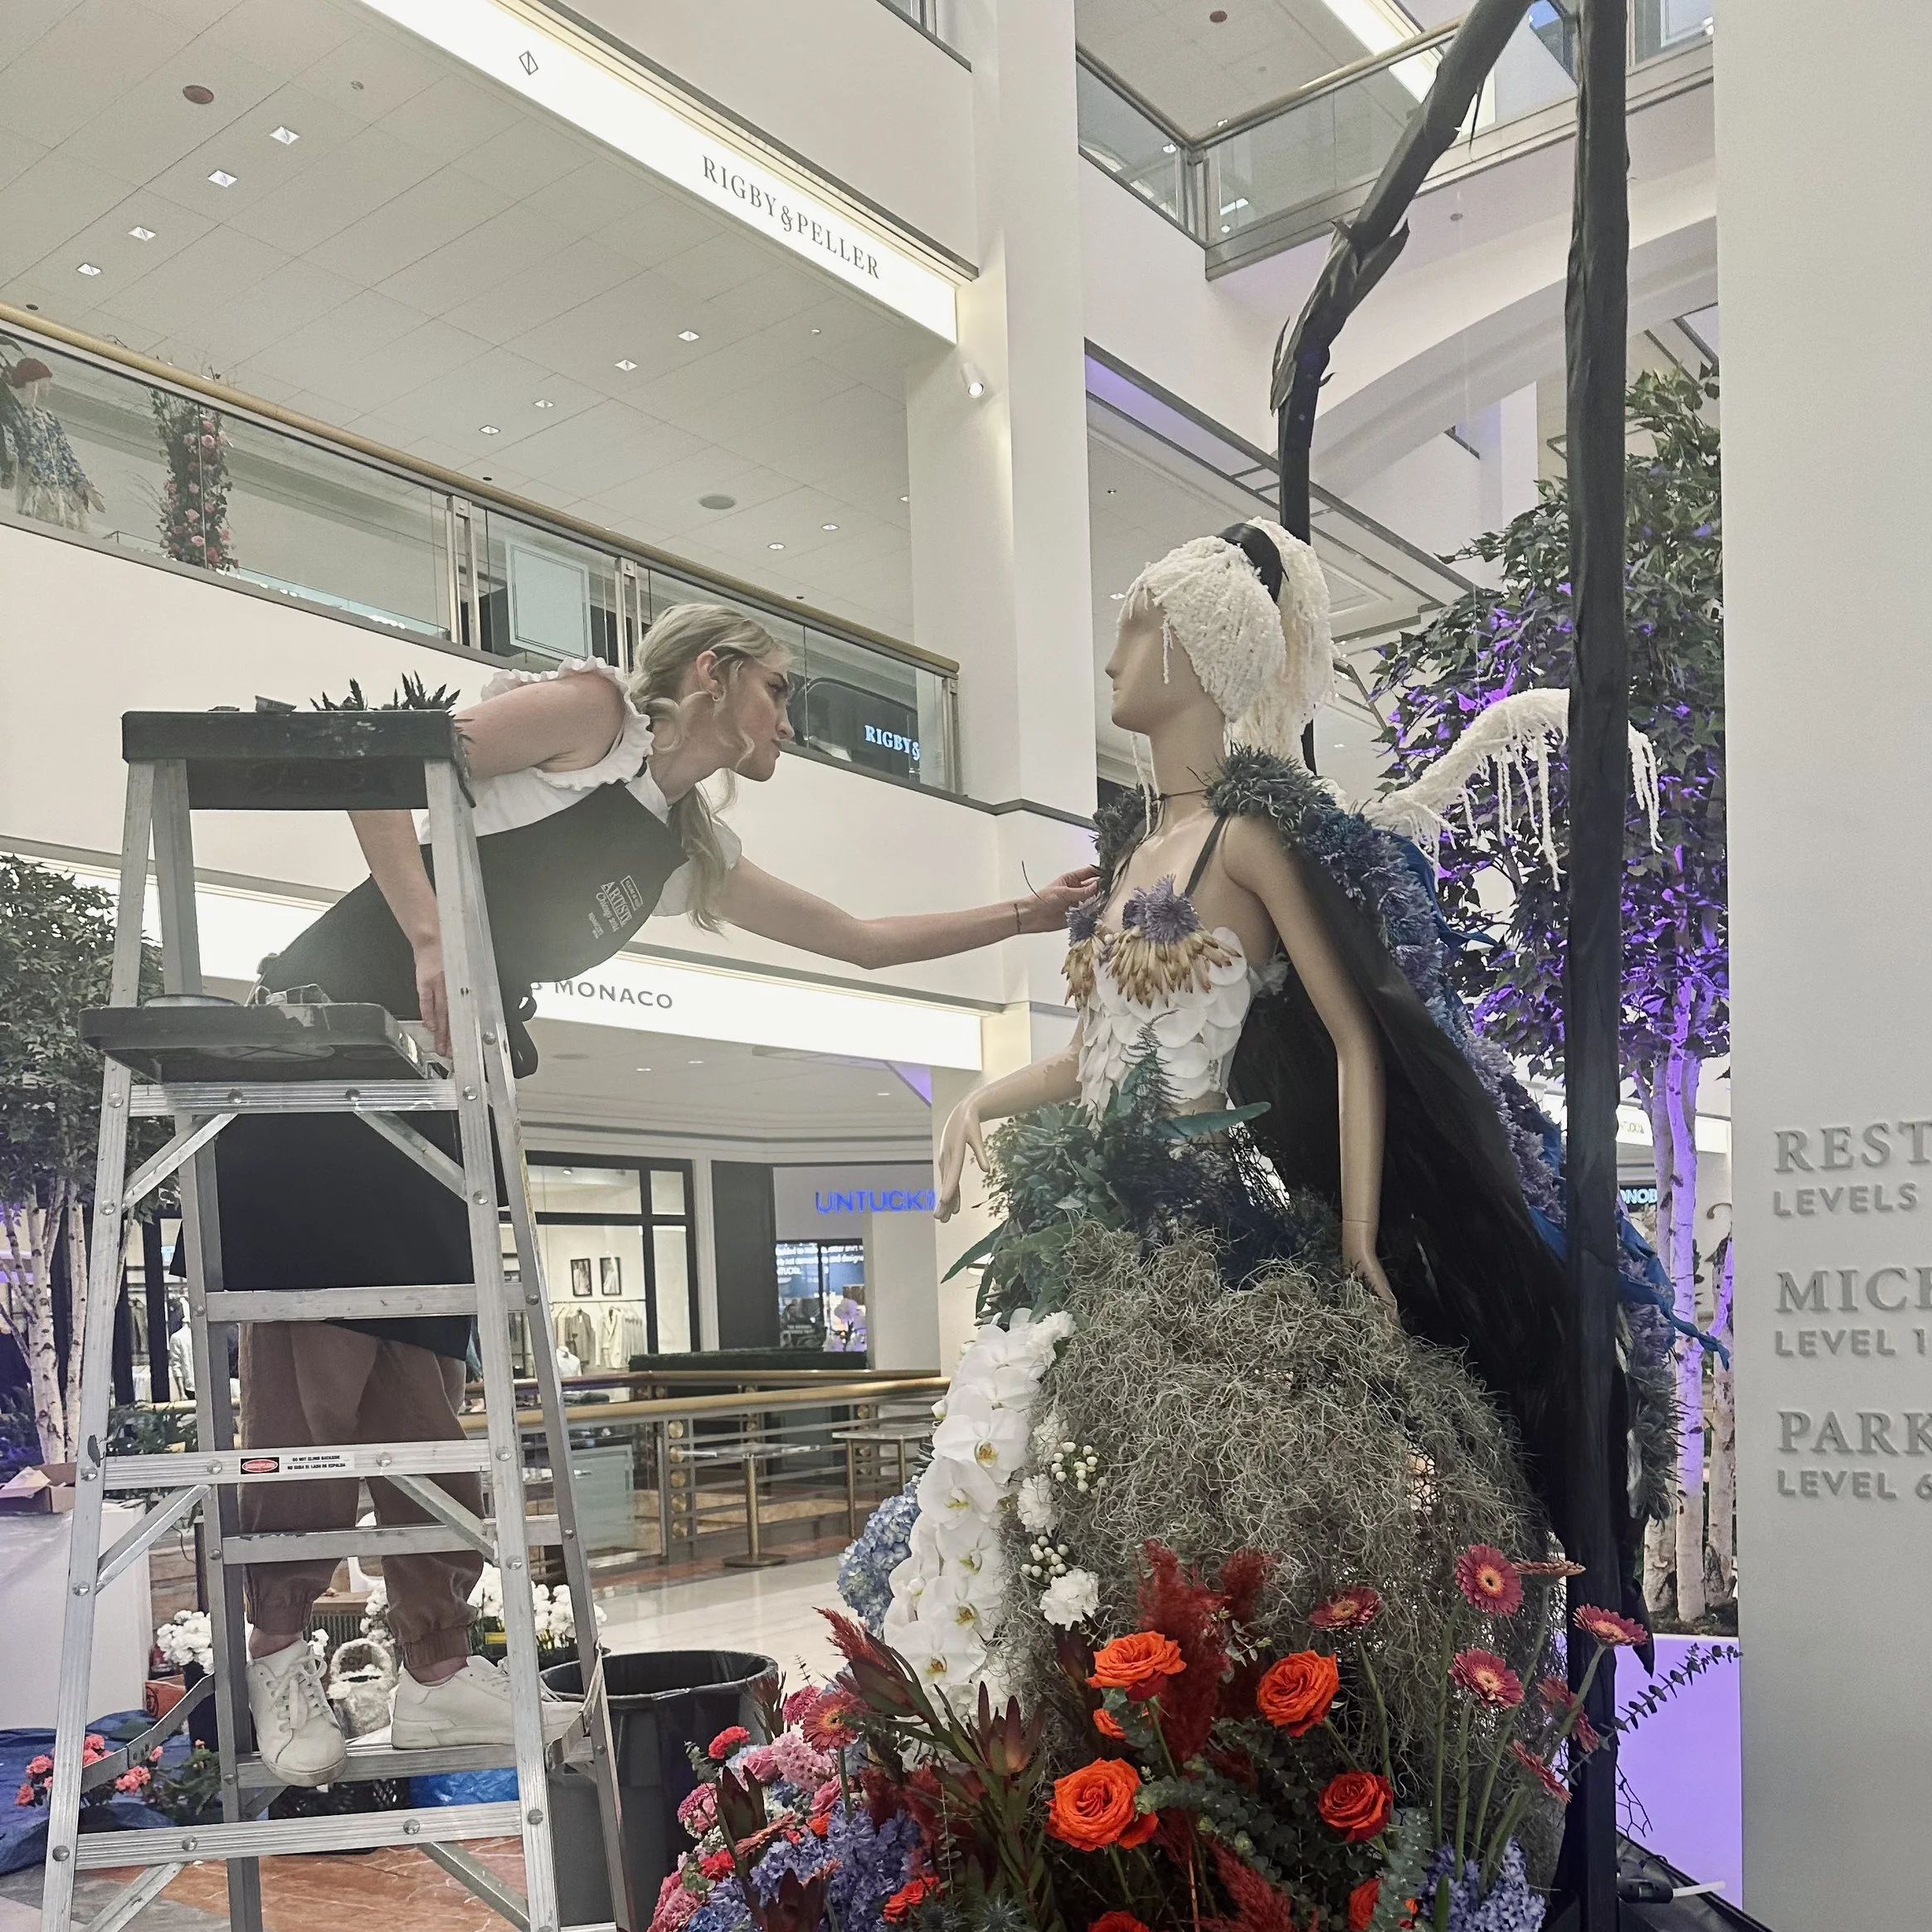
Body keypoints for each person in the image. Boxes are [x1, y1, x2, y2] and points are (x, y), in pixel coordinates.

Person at [223, 606, 1095, 1783]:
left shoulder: (680, 843)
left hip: (440, 1083)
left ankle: (432, 1669)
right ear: (711, 672)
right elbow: (381, 756)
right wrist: (431, 938)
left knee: (418, 1400)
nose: (789, 718)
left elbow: (858, 939)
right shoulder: (593, 712)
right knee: (311, 1389)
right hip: (327, 1047)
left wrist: (1025, 916)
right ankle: (277, 1649)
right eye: (779, 688)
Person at [889, 517, 1649, 1704]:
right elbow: (1097, 1063)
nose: (1112, 657)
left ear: (1191, 652)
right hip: (1088, 1248)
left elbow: (1355, 1035)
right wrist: (984, 1095)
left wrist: (1356, 1237)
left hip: (1194, 1240)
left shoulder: (1245, 844)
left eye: (1134, 628)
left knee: (1198, 1519)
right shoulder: (1140, 849)